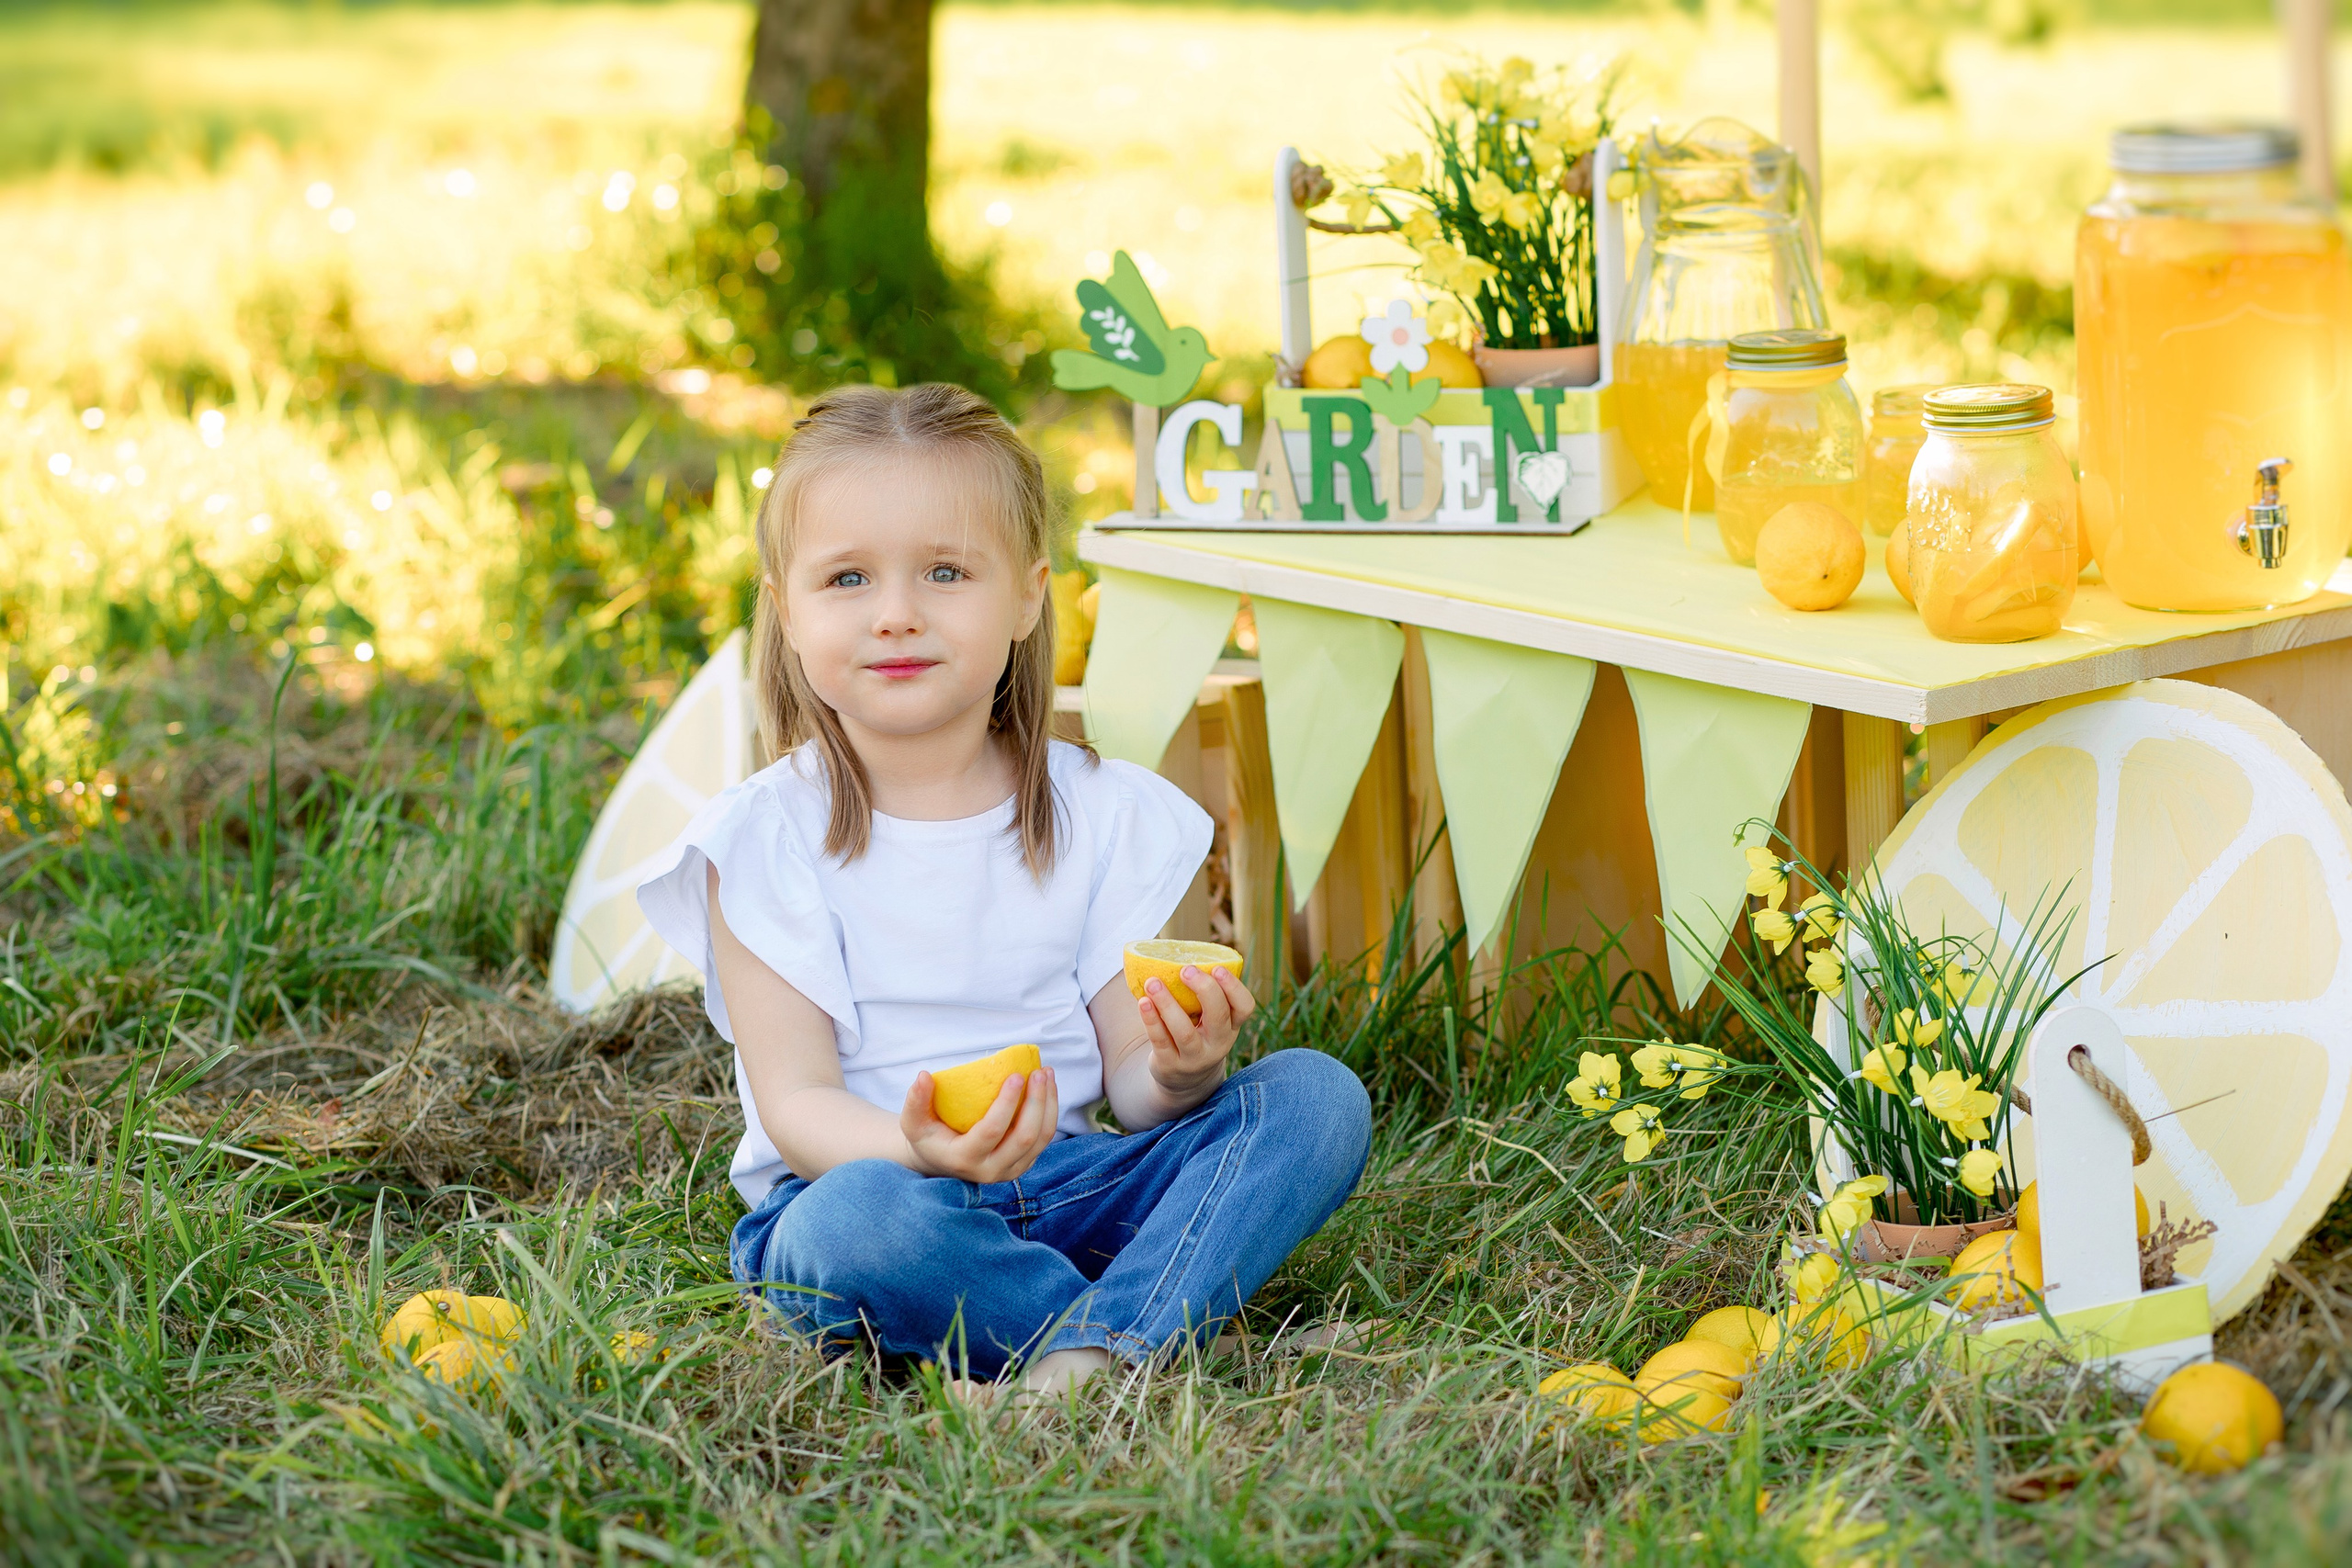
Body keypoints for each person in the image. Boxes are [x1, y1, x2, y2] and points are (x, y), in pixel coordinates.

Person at [639, 383, 1370, 1395]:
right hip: (869, 1189)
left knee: (1314, 1100)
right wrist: (914, 1143)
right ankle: (1140, 1330)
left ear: (1027, 596)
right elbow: (799, 1103)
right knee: (856, 1226)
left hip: (1068, 1182)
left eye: (946, 572)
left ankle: (1078, 1351)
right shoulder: (761, 840)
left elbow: (1133, 1091)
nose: (896, 614)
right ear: (788, 613)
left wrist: (1184, 1067)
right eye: (847, 579)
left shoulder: (1104, 815)